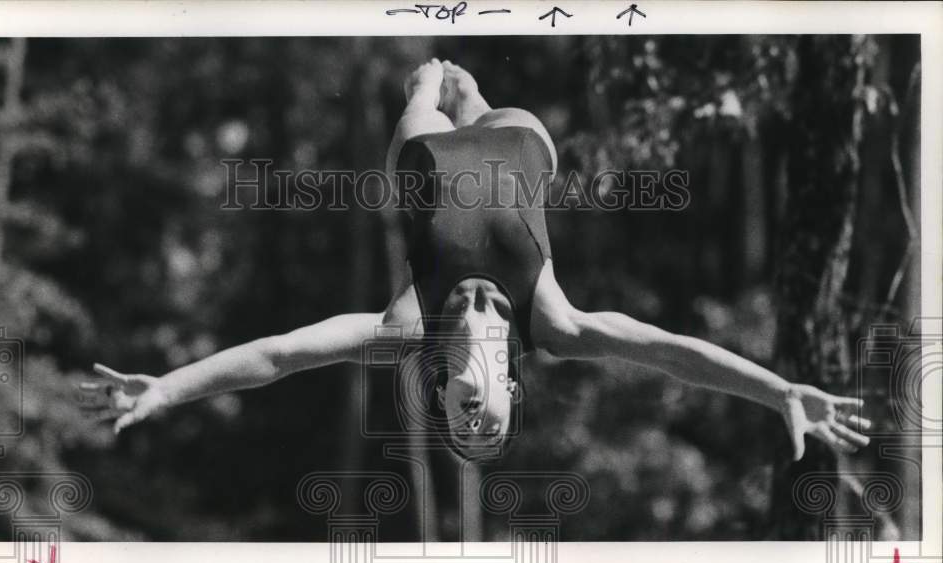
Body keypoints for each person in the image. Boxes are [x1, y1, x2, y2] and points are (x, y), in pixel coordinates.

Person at [81, 59, 871, 462]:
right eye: (488, 426)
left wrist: (168, 389)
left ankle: (433, 82)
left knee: (428, 90)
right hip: (522, 142)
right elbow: (671, 354)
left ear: (440, 394)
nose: (474, 416)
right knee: (482, 98)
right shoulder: (552, 323)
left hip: (424, 149)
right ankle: (471, 89)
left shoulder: (407, 328)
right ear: (512, 391)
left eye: (462, 424)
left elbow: (278, 355)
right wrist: (776, 391)